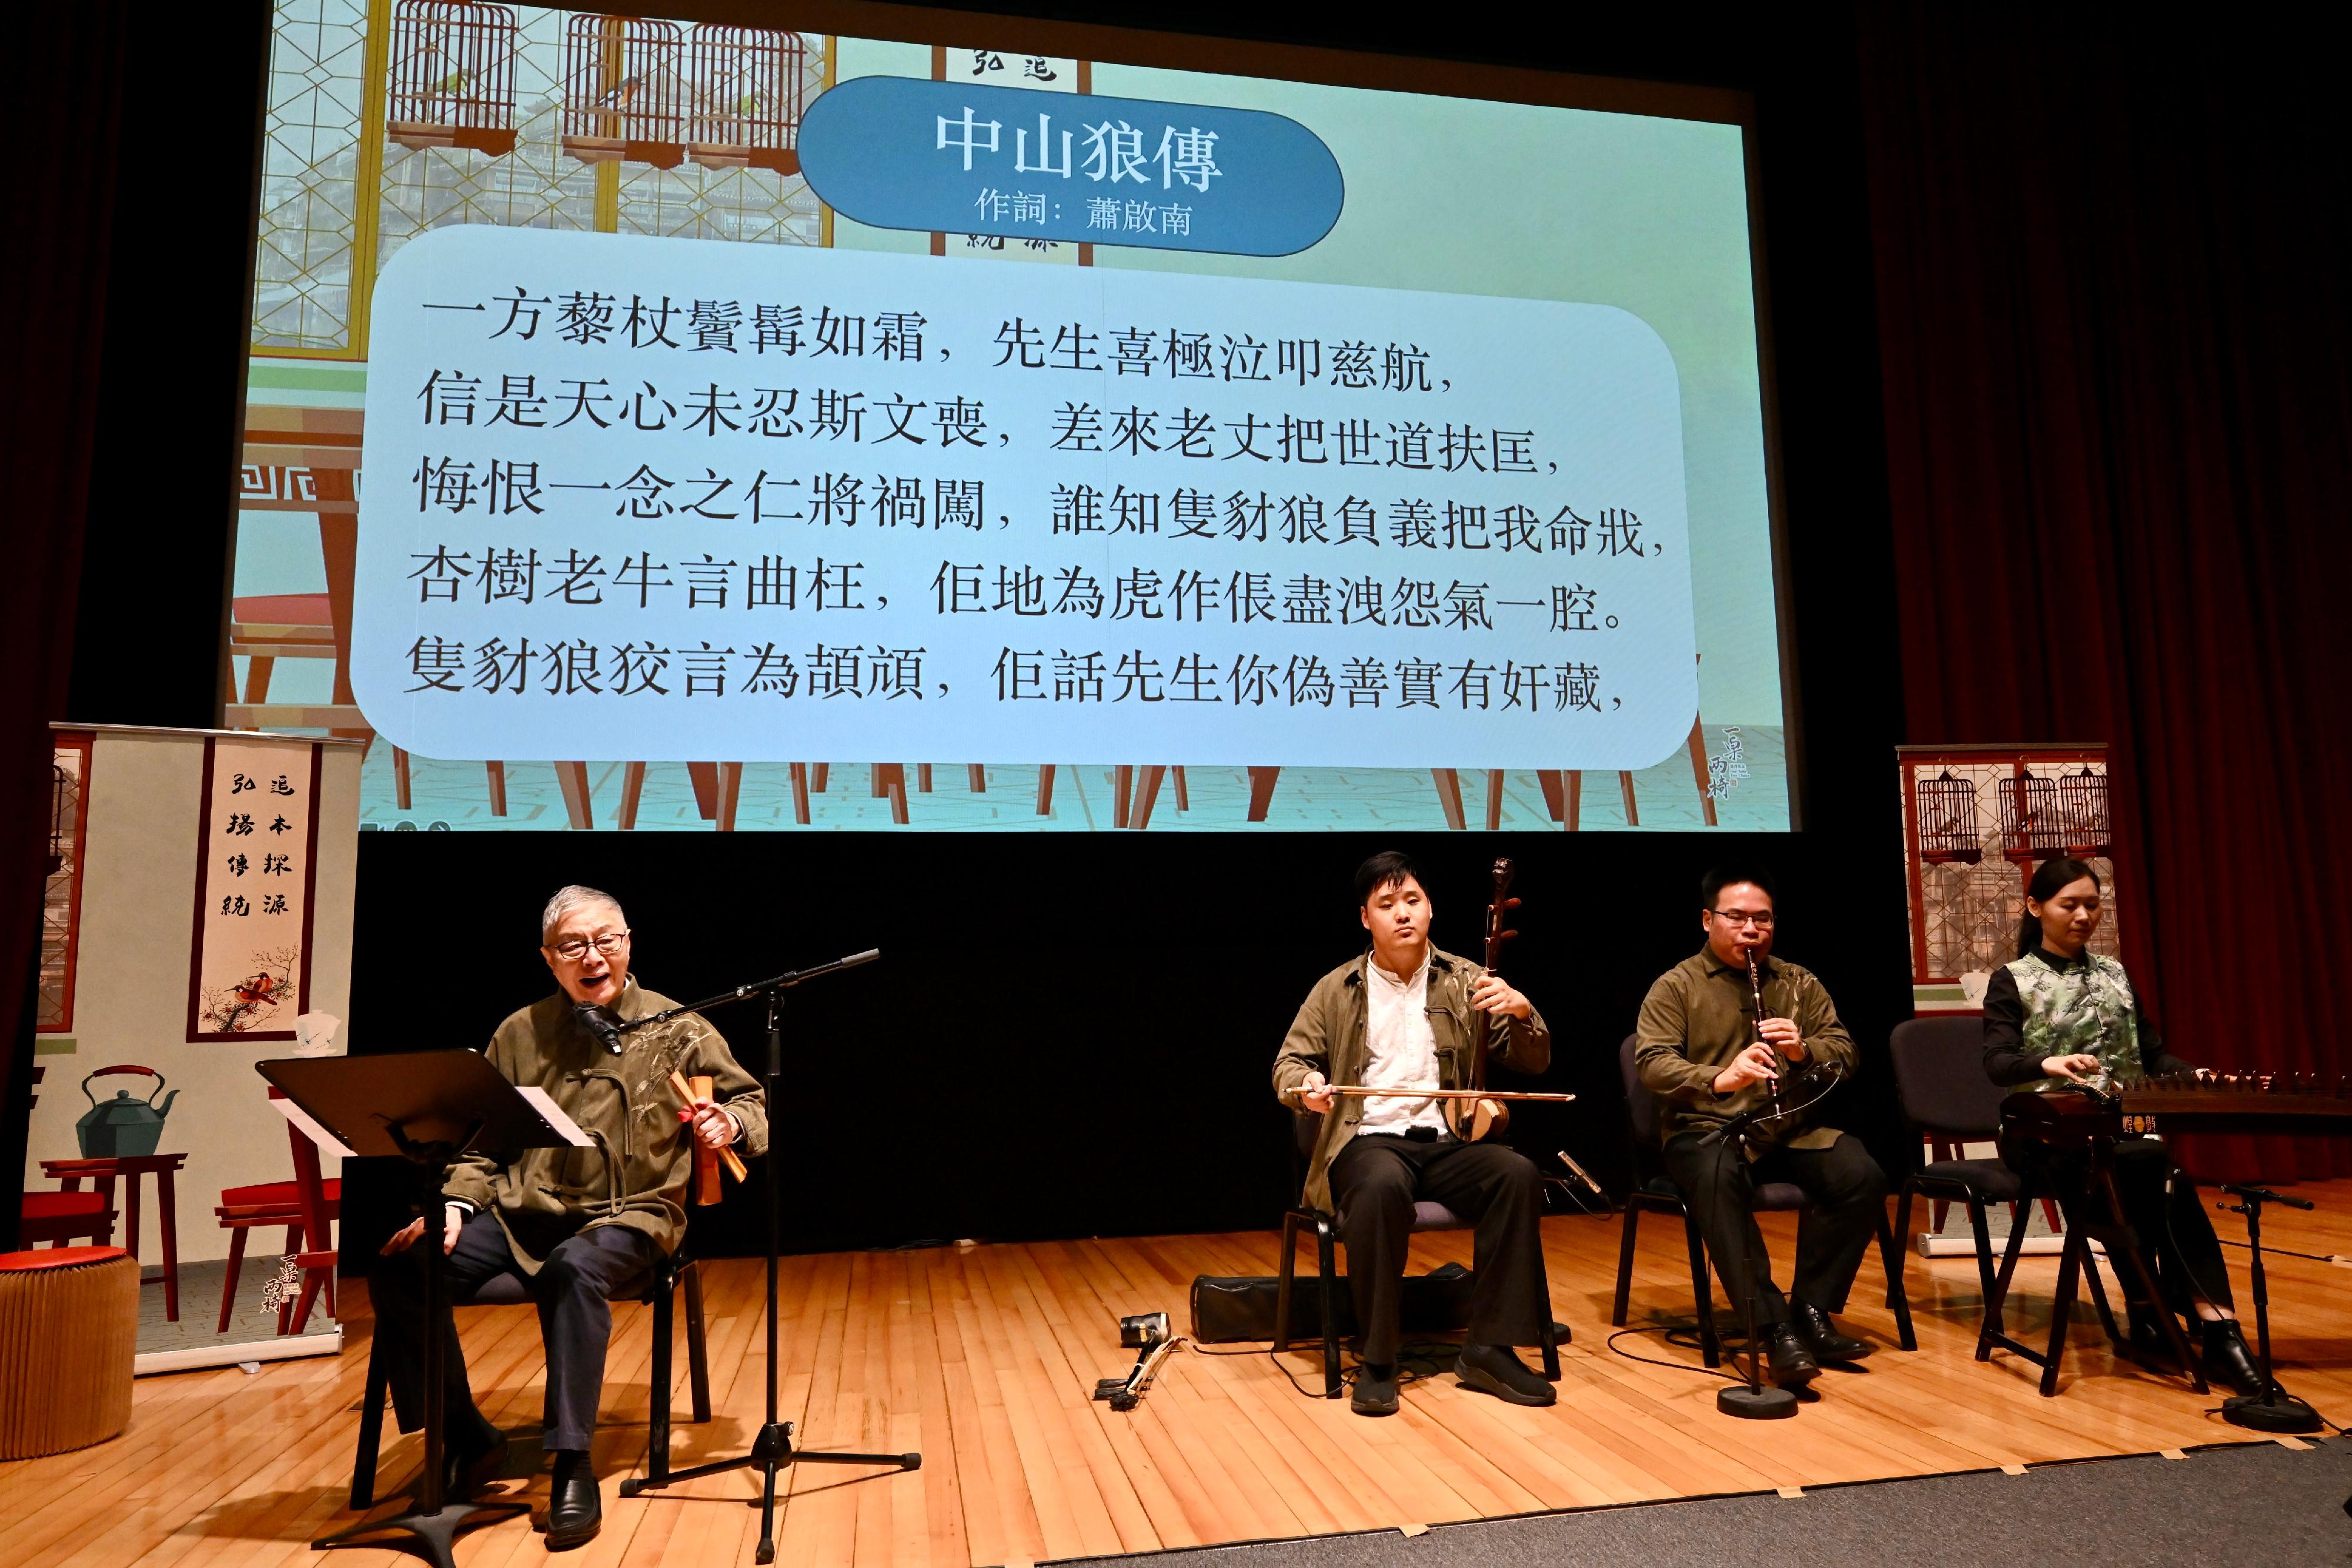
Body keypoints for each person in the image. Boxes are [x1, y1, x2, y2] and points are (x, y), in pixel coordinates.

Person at [370, 886, 764, 1549]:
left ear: (628, 943)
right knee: (406, 1263)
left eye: (606, 940)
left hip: (632, 1217)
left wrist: (729, 1122)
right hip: (528, 1212)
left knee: (574, 1267)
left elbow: (749, 1102)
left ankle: (572, 1463)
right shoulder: (519, 1033)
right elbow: (477, 1141)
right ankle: (469, 1437)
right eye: (573, 945)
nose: (593, 956)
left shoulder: (677, 1026)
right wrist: (458, 1206)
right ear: (549, 960)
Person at [1272, 851, 1557, 1417]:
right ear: (1365, 918)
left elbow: (1533, 1062)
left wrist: (1524, 1013)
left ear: (1429, 908)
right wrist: (1305, 1084)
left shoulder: (1469, 979)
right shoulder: (1337, 987)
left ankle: (1488, 1347)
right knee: (1379, 1188)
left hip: (1445, 1139)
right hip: (1368, 1138)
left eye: (1413, 900)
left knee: (1516, 1175)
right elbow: (1288, 1062)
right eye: (1387, 904)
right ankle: (1378, 1358)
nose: (1402, 914)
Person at [1982, 856, 2262, 1395]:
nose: (2084, 915)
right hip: (2043, 1134)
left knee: (2160, 1176)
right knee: (2150, 1172)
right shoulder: (2013, 979)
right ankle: (2199, 1323)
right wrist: (2047, 1063)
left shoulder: (2115, 973)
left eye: (2092, 904)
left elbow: (2152, 1054)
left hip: (2120, 1128)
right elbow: (1997, 1063)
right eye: (2070, 905)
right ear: (2036, 908)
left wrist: (2194, 1074)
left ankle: (2191, 1319)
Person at [1634, 866, 1886, 1389]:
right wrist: (1720, 1077)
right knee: (1718, 1175)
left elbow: (1846, 1054)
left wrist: (1802, 1049)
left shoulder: (1799, 983)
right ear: (1708, 920)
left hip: (1786, 1126)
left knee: (1859, 1173)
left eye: (1763, 919)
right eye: (1738, 917)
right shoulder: (1676, 985)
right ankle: (1772, 1327)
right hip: (1707, 1128)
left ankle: (1812, 1311)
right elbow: (1653, 1063)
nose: (1752, 929)